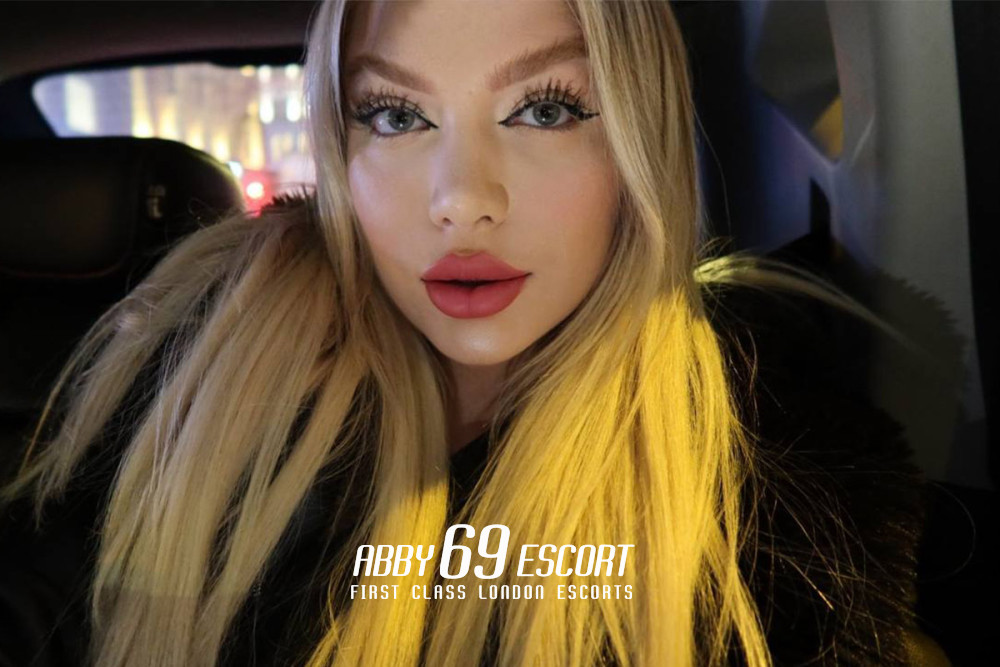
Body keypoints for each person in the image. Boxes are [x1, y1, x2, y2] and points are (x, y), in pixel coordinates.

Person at [0, 1, 948, 665]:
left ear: (638, 144)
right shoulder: (203, 375)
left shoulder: (775, 476)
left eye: (545, 109)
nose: (461, 199)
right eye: (395, 114)